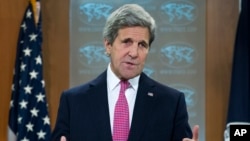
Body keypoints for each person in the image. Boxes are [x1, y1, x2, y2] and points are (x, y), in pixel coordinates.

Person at [51, 4, 199, 141]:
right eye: (127, 42)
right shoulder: (73, 101)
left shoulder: (171, 102)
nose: (134, 53)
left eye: (142, 45)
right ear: (108, 45)